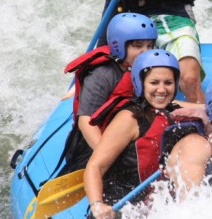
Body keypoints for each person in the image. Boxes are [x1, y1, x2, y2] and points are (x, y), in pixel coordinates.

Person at [84, 49, 211, 219]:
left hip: (152, 207)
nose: (161, 89)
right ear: (140, 83)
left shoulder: (171, 108)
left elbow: (208, 109)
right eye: (154, 82)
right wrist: (97, 205)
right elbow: (95, 166)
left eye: (168, 83)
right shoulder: (129, 118)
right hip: (119, 211)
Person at [58, 13, 157, 175]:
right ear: (119, 46)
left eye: (149, 46)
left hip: (129, 133)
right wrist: (107, 157)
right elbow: (85, 121)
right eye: (138, 46)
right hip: (95, 142)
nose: (145, 52)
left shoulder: (150, 68)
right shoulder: (103, 74)